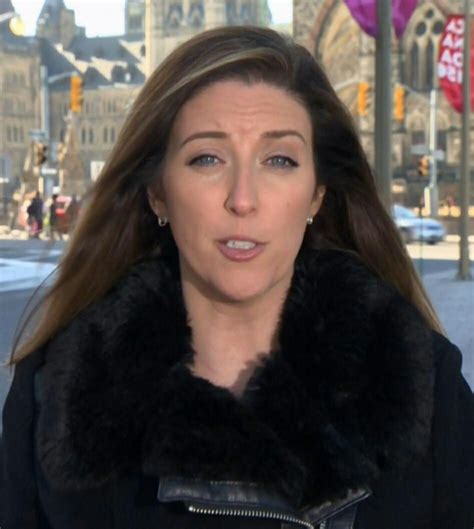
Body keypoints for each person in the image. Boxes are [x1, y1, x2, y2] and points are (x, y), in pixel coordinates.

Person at [2, 26, 473, 529]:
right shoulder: (54, 399)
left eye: (279, 160)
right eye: (207, 158)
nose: (243, 199)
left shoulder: (422, 386)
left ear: (316, 195)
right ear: (158, 192)